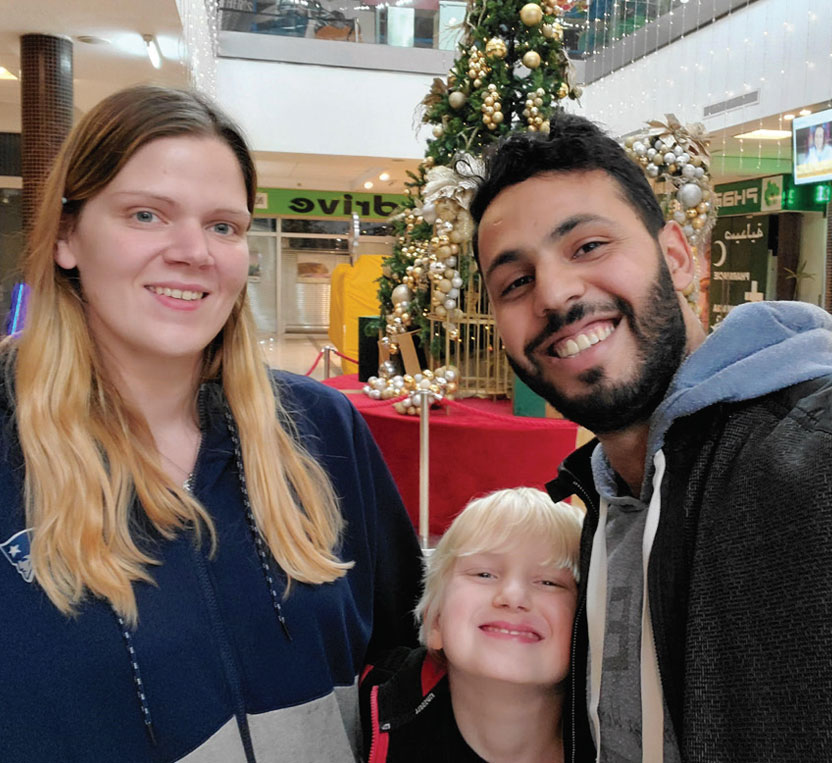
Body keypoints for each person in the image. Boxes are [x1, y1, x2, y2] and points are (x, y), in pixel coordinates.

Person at [0, 85, 422, 763]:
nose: (194, 250)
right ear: (68, 236)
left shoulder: (321, 429)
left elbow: (406, 652)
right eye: (147, 214)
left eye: (224, 225)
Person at [470, 113, 832, 762]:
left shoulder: (808, 457)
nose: (554, 293)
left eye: (588, 246)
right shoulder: (606, 502)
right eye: (516, 281)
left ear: (679, 256)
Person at [360, 487, 584, 762]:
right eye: (485, 574)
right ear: (436, 621)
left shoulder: (634, 737)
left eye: (549, 582)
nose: (513, 597)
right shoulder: (358, 708)